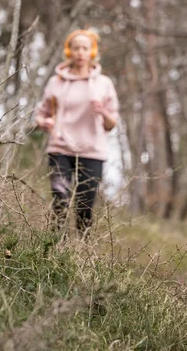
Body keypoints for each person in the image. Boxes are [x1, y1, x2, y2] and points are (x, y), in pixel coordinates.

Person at [35, 29, 119, 238]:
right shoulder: (56, 82)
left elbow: (112, 124)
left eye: (85, 48)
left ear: (92, 52)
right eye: (76, 48)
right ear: (68, 51)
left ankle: (82, 256)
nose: (80, 52)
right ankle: (55, 252)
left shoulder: (104, 83)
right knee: (60, 201)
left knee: (84, 208)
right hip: (60, 148)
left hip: (92, 151)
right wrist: (44, 122)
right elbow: (40, 114)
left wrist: (103, 112)